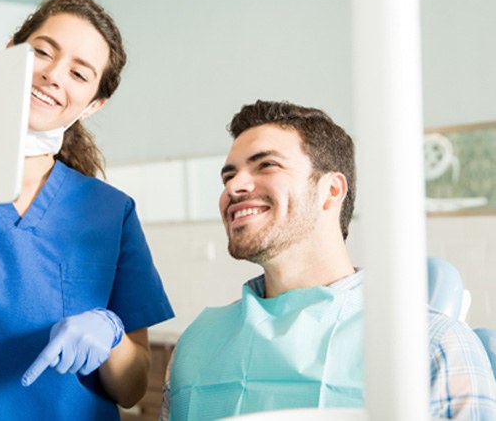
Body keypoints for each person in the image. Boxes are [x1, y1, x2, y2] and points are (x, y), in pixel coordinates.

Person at [0, 0, 174, 419]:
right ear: (9, 55)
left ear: (94, 104)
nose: (53, 76)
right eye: (41, 52)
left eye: (79, 73)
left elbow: (131, 388)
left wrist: (111, 335)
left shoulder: (110, 211)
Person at [162, 100, 496, 420]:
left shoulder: (433, 344)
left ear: (332, 190)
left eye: (266, 165)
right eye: (228, 175)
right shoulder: (194, 347)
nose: (234, 186)